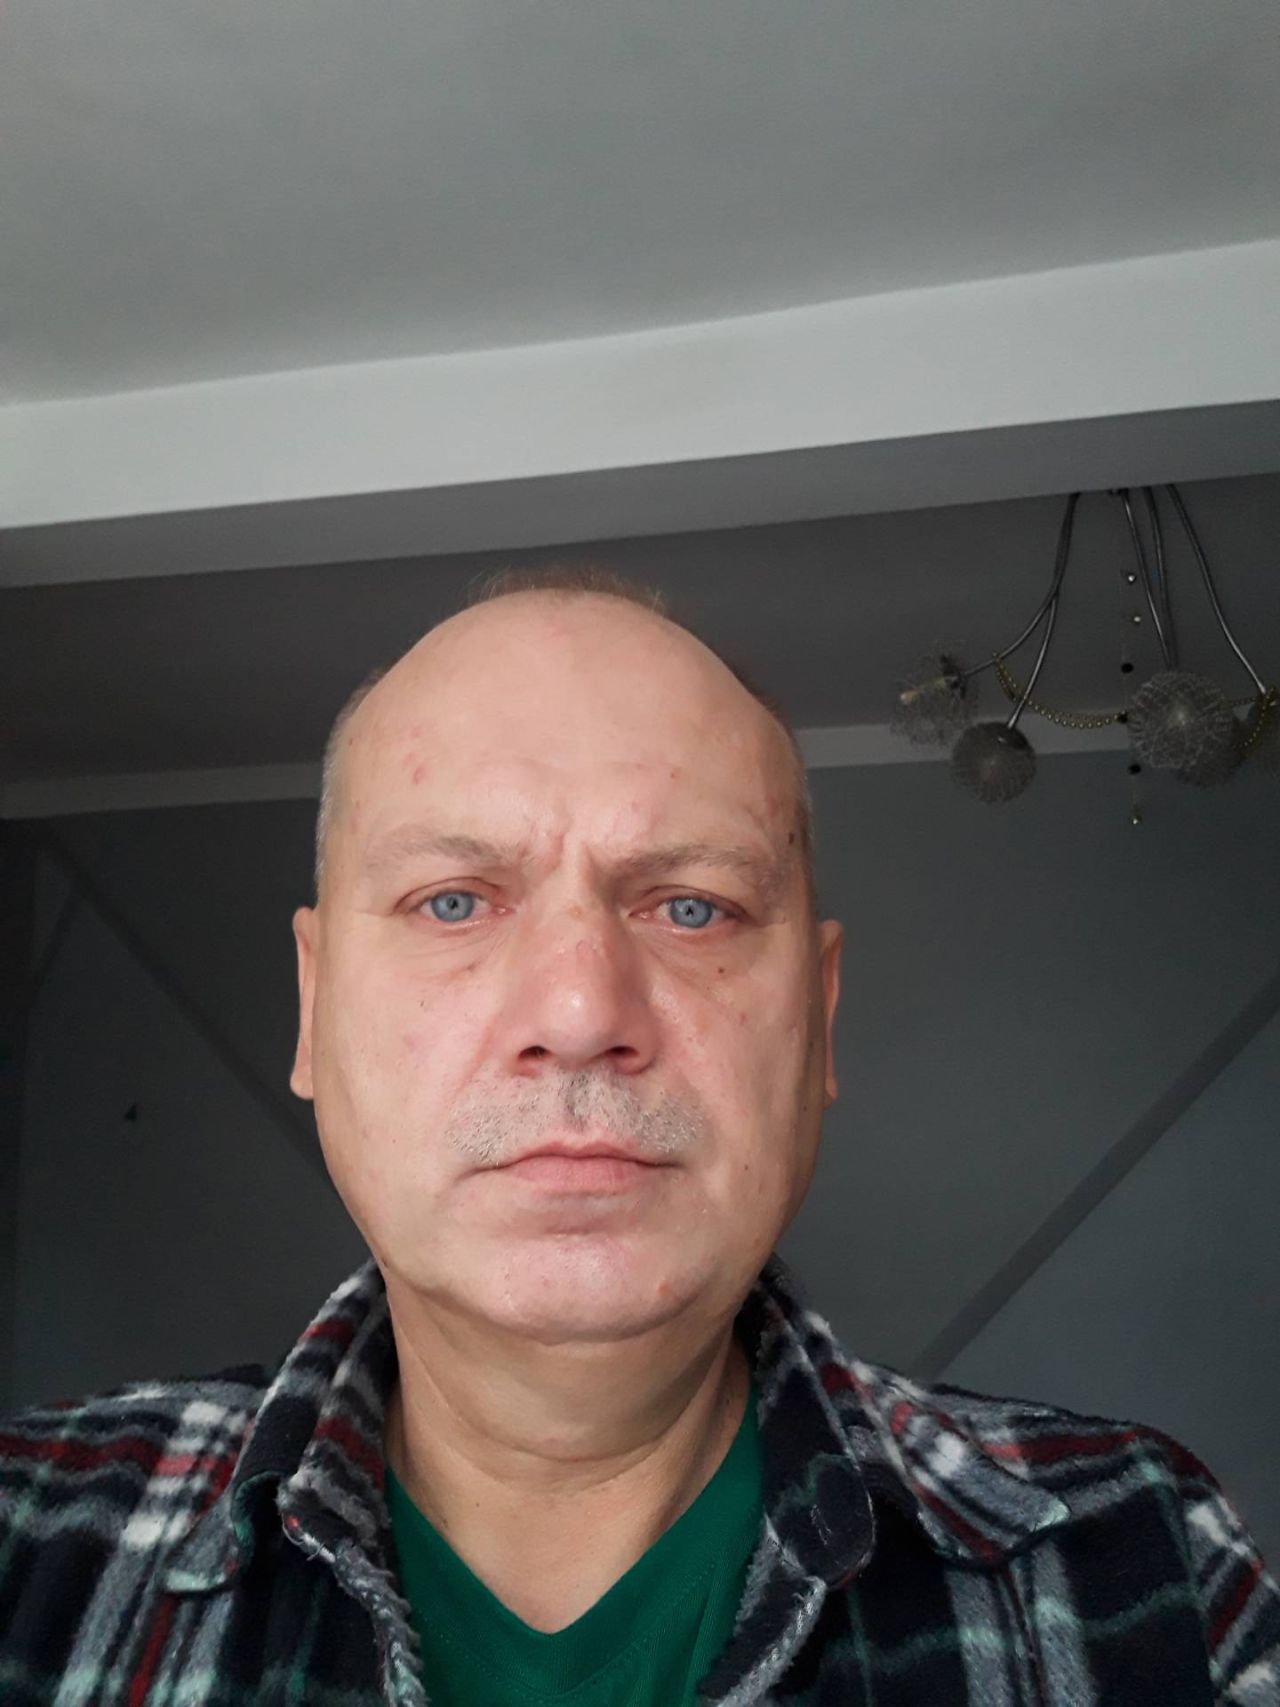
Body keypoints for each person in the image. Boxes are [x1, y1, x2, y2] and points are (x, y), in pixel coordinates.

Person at [1, 566, 1277, 1707]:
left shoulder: (1141, 1560)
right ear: (313, 1004)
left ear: (818, 1017)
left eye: (692, 906)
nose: (577, 1014)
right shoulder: (29, 1539)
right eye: (452, 902)